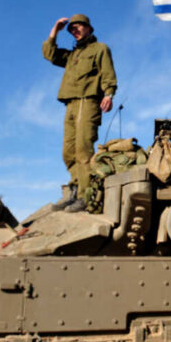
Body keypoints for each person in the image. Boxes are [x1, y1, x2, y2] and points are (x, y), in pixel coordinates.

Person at [42, 14, 117, 212]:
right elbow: (49, 53)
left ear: (89, 28)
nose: (75, 30)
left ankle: (86, 196)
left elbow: (108, 73)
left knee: (83, 149)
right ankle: (74, 191)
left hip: (89, 101)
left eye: (79, 26)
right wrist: (55, 30)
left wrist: (109, 94)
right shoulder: (71, 56)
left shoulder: (100, 49)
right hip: (71, 104)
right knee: (68, 152)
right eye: (72, 28)